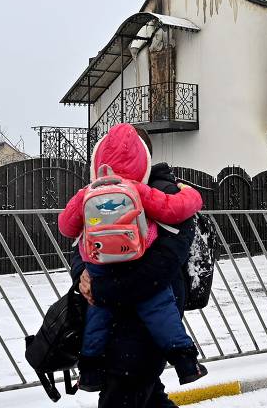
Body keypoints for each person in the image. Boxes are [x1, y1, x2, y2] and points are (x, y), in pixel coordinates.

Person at [59, 123, 207, 394]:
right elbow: (79, 243)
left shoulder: (165, 191)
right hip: (122, 326)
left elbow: (160, 268)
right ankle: (184, 361)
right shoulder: (100, 193)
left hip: (140, 332)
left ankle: (93, 370)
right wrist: (82, 274)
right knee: (146, 399)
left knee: (127, 395)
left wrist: (100, 289)